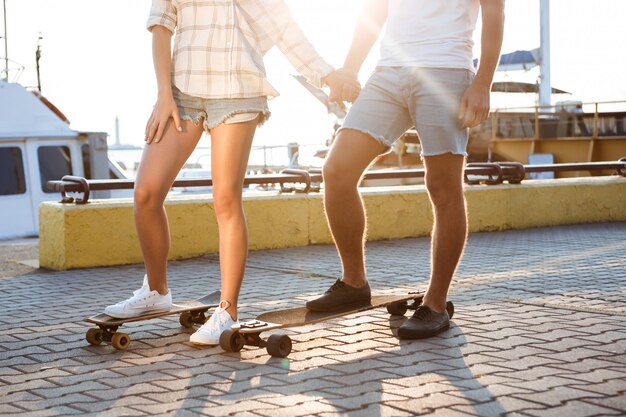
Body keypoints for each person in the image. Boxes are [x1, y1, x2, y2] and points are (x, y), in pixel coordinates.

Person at [103, 0, 358, 346]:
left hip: (238, 91)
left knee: (225, 199)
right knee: (146, 193)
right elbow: (161, 25)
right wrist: (164, 94)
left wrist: (328, 75)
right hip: (182, 94)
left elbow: (286, 30)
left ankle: (227, 311)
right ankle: (156, 290)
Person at [306, 0, 504, 340]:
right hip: (388, 73)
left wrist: (483, 82)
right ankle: (354, 282)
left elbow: (495, 11)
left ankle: (436, 304)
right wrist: (351, 67)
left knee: (443, 187)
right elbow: (375, 9)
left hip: (446, 71)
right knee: (337, 170)